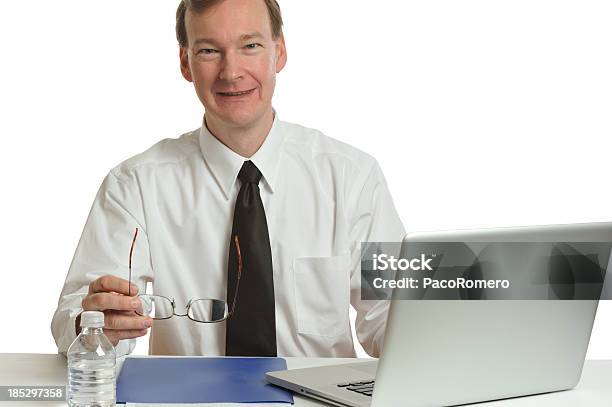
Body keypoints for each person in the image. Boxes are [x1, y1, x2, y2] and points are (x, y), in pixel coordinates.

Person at [51, 0, 405, 358]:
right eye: (208, 51)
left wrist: (445, 309)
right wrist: (95, 324)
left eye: (250, 46)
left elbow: (394, 315)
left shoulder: (353, 176)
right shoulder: (134, 185)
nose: (231, 71)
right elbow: (73, 319)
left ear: (279, 52)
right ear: (185, 63)